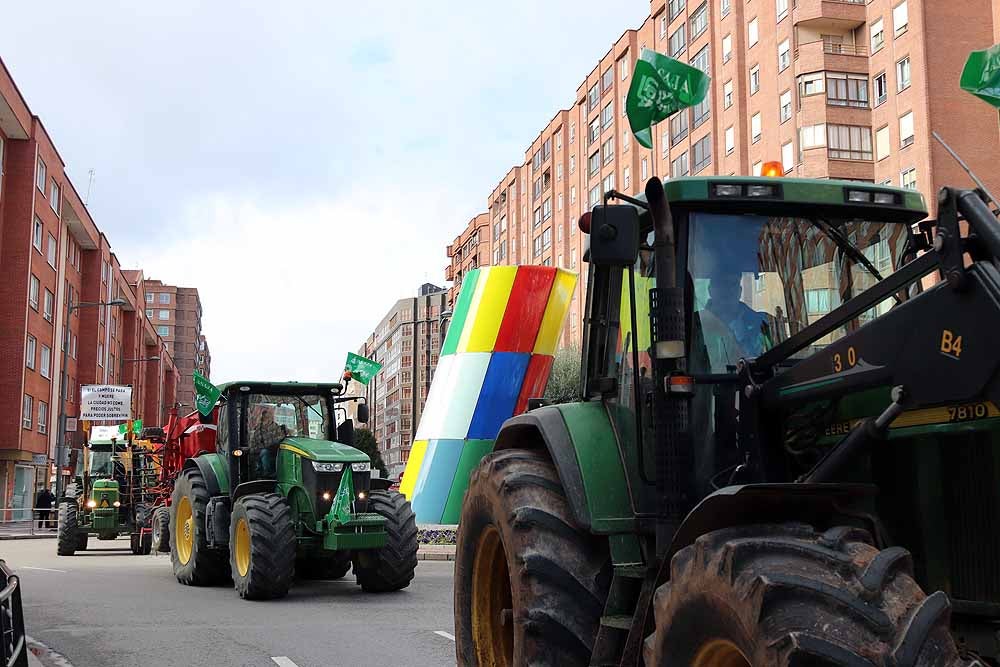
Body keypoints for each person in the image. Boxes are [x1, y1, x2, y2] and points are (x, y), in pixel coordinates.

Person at [696, 268, 772, 370]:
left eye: (733, 285)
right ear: (711, 290)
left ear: (739, 291)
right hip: (709, 383)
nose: (728, 290)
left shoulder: (761, 323)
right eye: (723, 284)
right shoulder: (695, 324)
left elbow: (775, 359)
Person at [250, 407, 287, 477]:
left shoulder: (276, 428)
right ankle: (267, 474)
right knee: (264, 452)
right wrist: (255, 450)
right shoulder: (258, 431)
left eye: (269, 417)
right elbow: (252, 446)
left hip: (275, 450)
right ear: (263, 418)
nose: (268, 419)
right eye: (266, 418)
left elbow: (281, 438)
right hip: (262, 453)